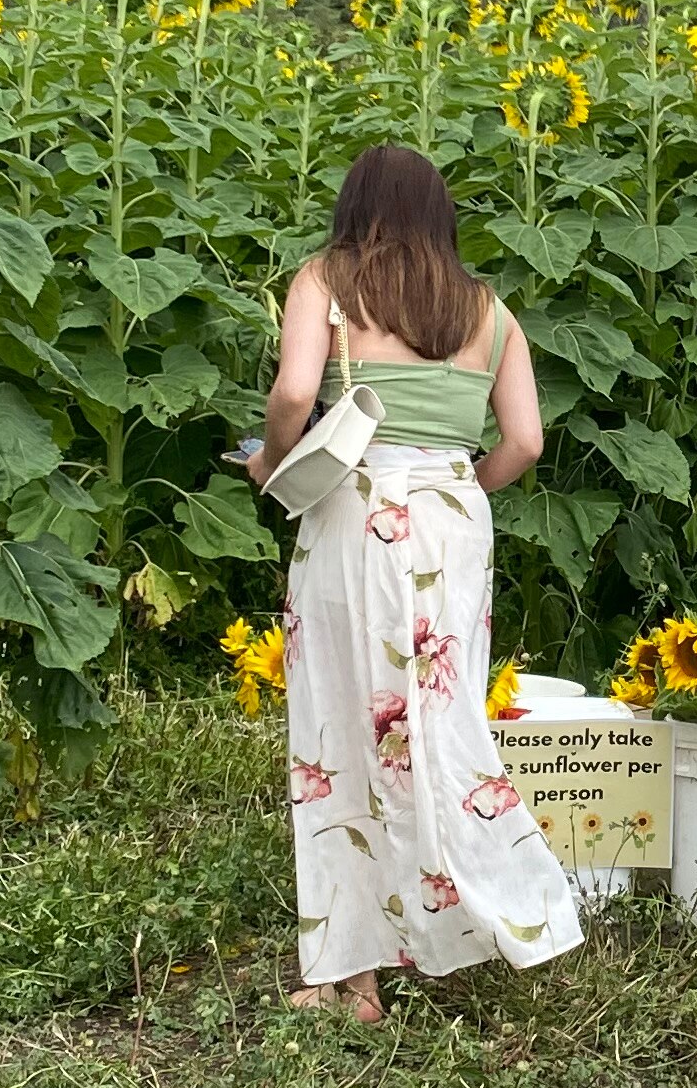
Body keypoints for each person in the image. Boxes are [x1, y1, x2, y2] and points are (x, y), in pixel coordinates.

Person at [245, 143, 572, 1021]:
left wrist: (273, 464)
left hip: (355, 512)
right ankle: (487, 911)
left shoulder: (325, 280)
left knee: (339, 726)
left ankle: (349, 973)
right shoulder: (490, 310)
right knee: (439, 720)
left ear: (356, 207)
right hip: (454, 518)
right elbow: (528, 444)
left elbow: (290, 395)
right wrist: (456, 487)